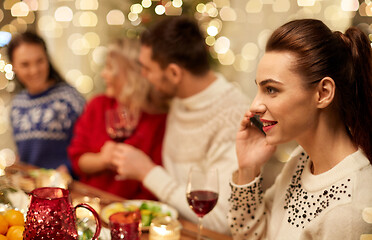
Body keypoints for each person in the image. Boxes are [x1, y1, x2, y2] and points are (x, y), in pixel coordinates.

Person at [228, 19, 372, 240]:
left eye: (272, 89)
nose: (254, 106)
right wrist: (248, 168)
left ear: (323, 93)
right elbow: (251, 235)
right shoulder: (302, 159)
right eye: (260, 88)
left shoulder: (349, 210)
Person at [111, 16, 250, 234]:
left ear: (174, 73)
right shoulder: (179, 98)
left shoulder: (233, 117)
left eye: (147, 69)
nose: (144, 77)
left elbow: (221, 220)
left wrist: (147, 172)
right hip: (171, 228)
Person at [68, 38, 168, 200]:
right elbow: (77, 161)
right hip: (91, 203)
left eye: (109, 67)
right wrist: (102, 160)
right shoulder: (97, 105)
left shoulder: (158, 120)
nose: (103, 74)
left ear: (131, 75)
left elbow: (154, 187)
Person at [7, 31, 85, 176]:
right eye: (25, 64)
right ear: (14, 67)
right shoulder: (17, 104)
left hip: (66, 189)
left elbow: (88, 145)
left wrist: (67, 169)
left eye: (40, 61)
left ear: (47, 59)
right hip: (30, 188)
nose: (34, 70)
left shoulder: (69, 98)